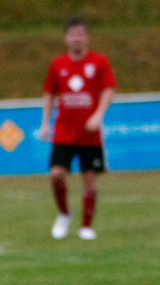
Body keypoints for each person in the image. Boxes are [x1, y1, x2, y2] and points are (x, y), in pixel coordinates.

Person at [40, 17, 116, 240]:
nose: (76, 38)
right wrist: (45, 123)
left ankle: (86, 226)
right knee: (56, 175)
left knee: (90, 179)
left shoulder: (99, 62)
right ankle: (64, 213)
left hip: (90, 134)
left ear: (87, 37)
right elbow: (49, 94)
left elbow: (109, 90)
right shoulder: (58, 64)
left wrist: (98, 115)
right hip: (64, 130)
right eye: (72, 34)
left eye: (81, 34)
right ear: (66, 38)